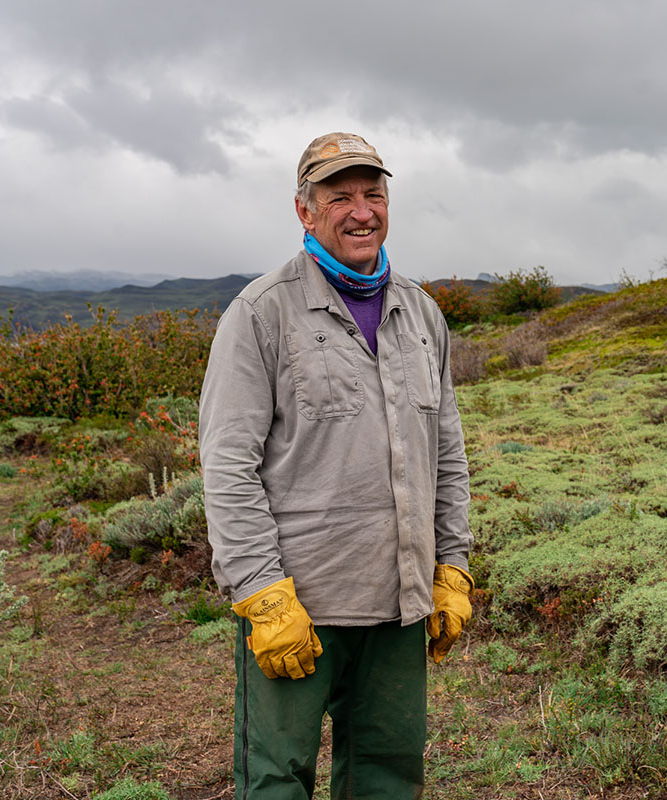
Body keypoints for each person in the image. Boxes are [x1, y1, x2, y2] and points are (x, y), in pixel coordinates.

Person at [199, 131, 474, 800]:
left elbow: (447, 451)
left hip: (399, 605)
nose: (361, 211)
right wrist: (261, 592)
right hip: (300, 607)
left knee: (388, 775)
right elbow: (228, 467)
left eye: (373, 194)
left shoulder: (421, 313)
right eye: (340, 196)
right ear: (305, 211)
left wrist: (453, 565)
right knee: (276, 781)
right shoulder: (260, 313)